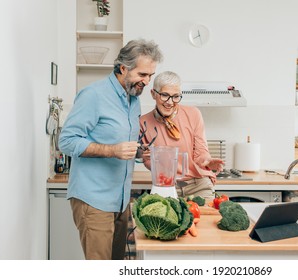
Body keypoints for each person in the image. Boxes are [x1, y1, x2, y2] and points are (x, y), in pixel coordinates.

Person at [58, 39, 163, 260]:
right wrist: (112, 150)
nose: (146, 82)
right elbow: (66, 141)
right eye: (142, 75)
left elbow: (121, 142)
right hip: (93, 200)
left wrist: (137, 153)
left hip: (120, 200)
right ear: (123, 68)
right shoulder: (93, 95)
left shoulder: (132, 98)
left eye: (150, 76)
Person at [139, 71, 224, 200]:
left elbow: (201, 150)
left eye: (175, 96)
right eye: (165, 95)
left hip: (198, 184)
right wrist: (148, 158)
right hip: (166, 185)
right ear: (153, 94)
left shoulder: (193, 114)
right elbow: (147, 159)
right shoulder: (143, 122)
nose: (170, 102)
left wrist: (206, 161)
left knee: (206, 218)